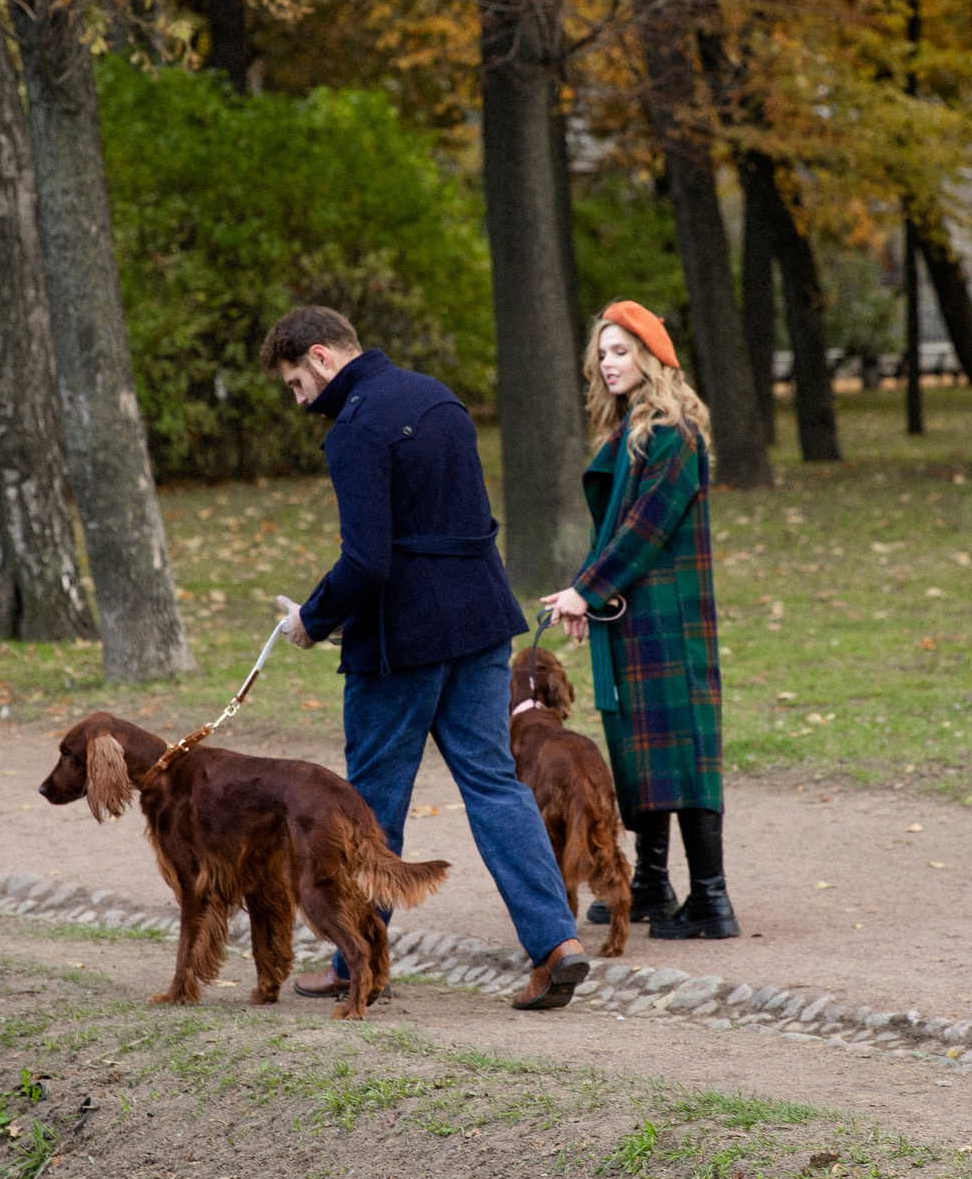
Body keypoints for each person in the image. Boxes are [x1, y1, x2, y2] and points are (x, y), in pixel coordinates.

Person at [262, 305, 591, 1011]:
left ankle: (357, 963)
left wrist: (311, 620)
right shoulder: (437, 397)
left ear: (321, 357)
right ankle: (557, 943)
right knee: (496, 785)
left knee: (370, 805)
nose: (300, 400)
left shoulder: (355, 428)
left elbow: (367, 560)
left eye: (295, 383)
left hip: (401, 642)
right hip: (480, 621)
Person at [542, 301, 738, 940]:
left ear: (652, 358)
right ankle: (652, 884)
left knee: (685, 751)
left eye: (621, 351)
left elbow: (646, 529)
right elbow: (613, 532)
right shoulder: (628, 432)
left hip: (669, 621)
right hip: (634, 616)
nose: (608, 362)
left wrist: (587, 591)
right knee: (639, 749)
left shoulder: (674, 434)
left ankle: (711, 901)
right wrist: (584, 592)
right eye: (602, 353)